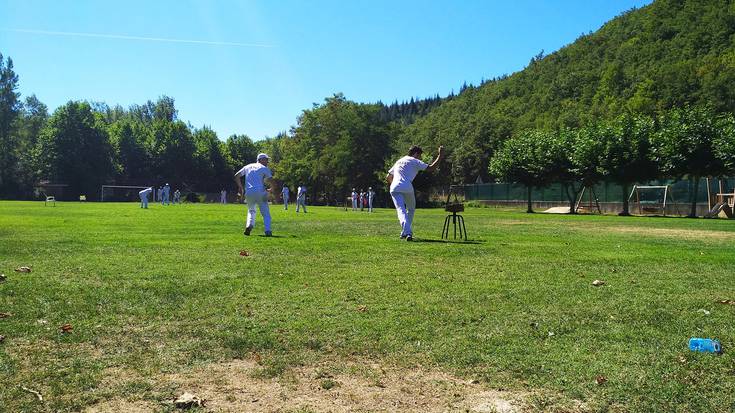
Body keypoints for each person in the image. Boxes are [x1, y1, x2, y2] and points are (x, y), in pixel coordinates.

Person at [386, 145, 444, 241]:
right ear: (416, 154)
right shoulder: (415, 161)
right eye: (420, 156)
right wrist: (440, 155)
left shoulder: (399, 161)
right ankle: (407, 232)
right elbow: (431, 168)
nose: (420, 158)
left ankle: (405, 232)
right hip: (407, 186)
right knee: (411, 209)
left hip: (394, 187)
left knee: (401, 210)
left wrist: (396, 185)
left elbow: (388, 177)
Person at [234, 153, 274, 236]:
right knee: (266, 213)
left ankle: (249, 226)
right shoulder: (264, 168)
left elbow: (237, 176)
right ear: (261, 160)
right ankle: (268, 230)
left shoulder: (248, 166)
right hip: (260, 192)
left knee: (251, 211)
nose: (267, 162)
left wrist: (241, 188)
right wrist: (271, 189)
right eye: (266, 159)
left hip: (249, 192)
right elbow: (271, 180)